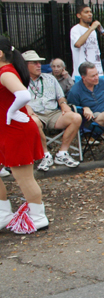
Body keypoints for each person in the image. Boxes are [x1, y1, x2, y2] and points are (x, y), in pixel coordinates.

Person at [0, 37, 49, 234]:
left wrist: (11, 112)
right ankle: (3, 214)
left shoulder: (5, 72)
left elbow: (23, 95)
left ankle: (38, 217)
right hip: (7, 130)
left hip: (15, 131)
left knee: (24, 178)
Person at [23, 50, 81, 170]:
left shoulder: (49, 78)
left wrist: (64, 104)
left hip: (53, 112)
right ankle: (45, 155)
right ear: (25, 65)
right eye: (35, 63)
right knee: (33, 122)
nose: (39, 65)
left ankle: (62, 153)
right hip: (35, 114)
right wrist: (25, 107)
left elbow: (60, 97)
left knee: (76, 117)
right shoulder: (20, 81)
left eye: (39, 62)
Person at [70, 4, 104, 79]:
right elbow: (78, 44)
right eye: (86, 12)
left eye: (91, 12)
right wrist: (91, 28)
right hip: (82, 74)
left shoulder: (93, 31)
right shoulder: (75, 29)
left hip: (96, 71)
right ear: (79, 15)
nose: (90, 14)